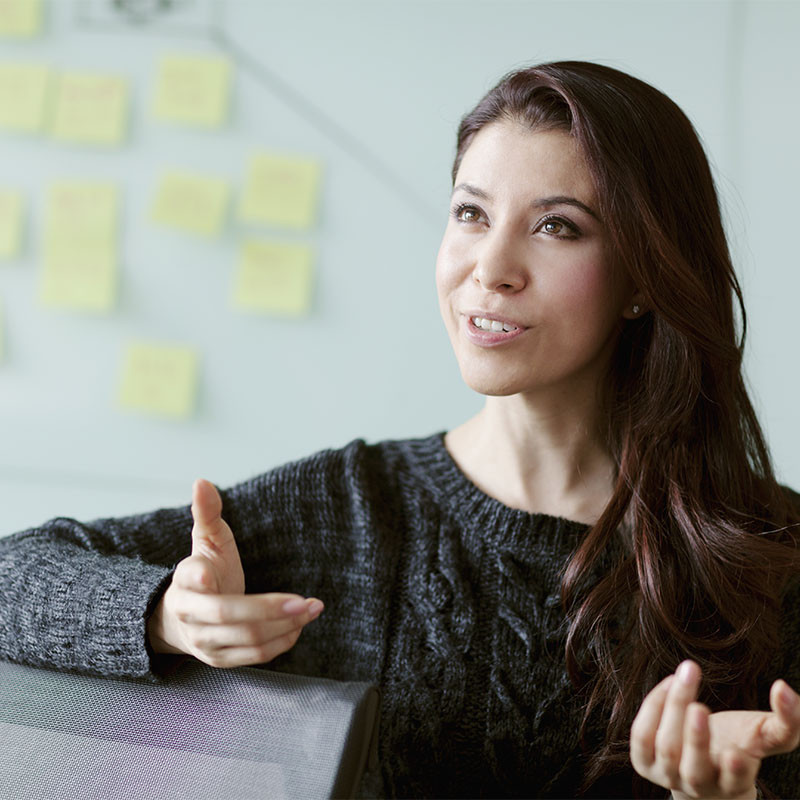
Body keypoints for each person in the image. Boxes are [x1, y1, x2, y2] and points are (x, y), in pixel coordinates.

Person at [1, 60, 800, 799]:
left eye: (556, 226)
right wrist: (165, 617)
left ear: (643, 275)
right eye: (470, 213)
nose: (490, 267)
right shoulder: (349, 511)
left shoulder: (770, 552)